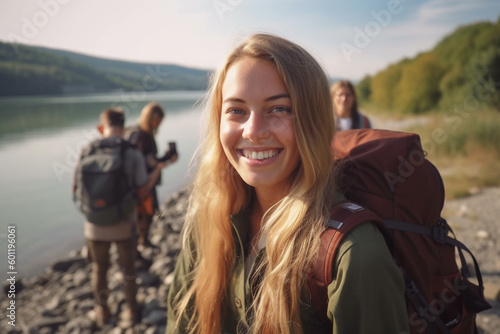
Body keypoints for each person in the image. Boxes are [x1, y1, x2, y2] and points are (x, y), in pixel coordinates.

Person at [166, 34, 409, 334]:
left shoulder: (354, 255)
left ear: (314, 121)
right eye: (236, 110)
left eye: (278, 109)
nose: (253, 132)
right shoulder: (209, 222)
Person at [74, 108, 166, 326]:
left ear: (100, 127)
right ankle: (132, 310)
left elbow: (76, 189)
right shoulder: (131, 153)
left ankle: (103, 310)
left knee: (99, 269)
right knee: (128, 270)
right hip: (124, 224)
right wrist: (158, 170)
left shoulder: (86, 151)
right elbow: (143, 191)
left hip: (93, 226)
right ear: (123, 128)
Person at [124, 102, 178, 248]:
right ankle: (139, 244)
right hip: (142, 183)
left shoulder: (144, 133)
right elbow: (146, 161)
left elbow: (149, 160)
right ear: (150, 118)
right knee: (144, 213)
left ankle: (142, 241)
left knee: (149, 211)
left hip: (147, 180)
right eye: (157, 120)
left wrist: (166, 158)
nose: (158, 124)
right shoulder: (141, 135)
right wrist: (163, 161)